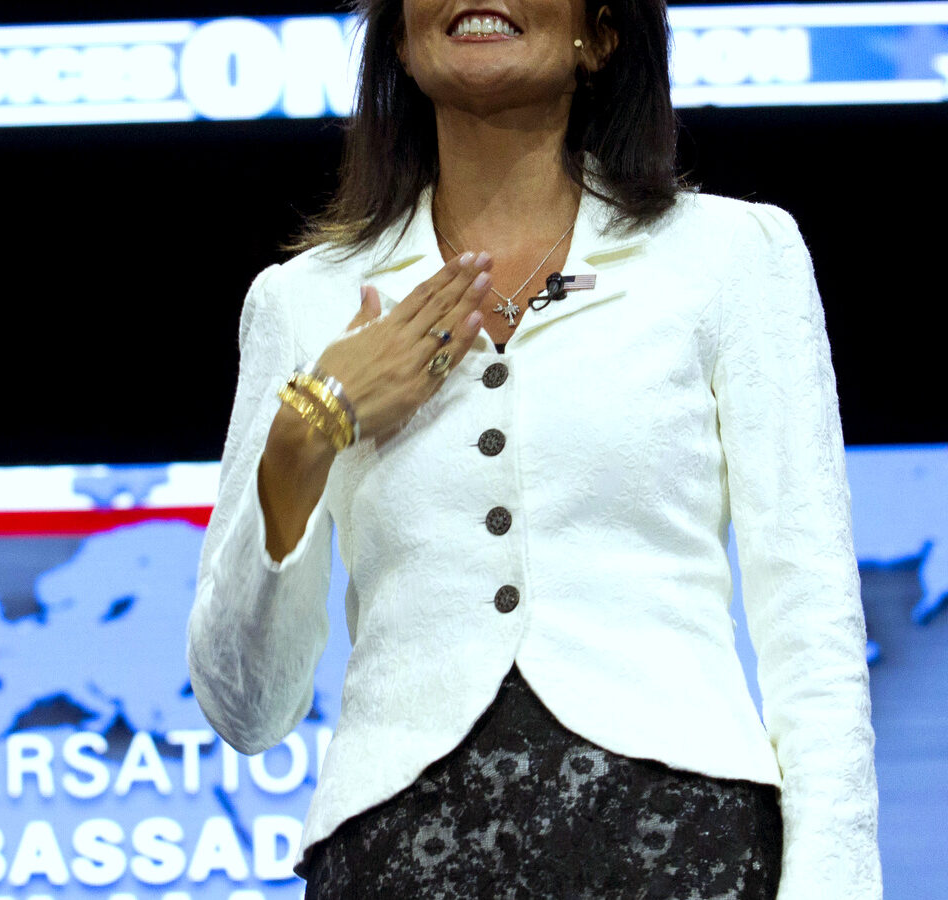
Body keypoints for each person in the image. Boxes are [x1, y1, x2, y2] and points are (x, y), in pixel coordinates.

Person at [185, 0, 881, 896]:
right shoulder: (304, 303)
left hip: (681, 841)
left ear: (602, 31)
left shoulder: (732, 256)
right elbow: (247, 709)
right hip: (398, 852)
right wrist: (309, 431)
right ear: (399, 34)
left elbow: (813, 627)